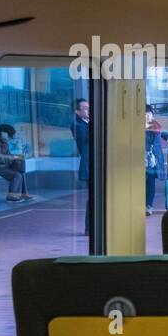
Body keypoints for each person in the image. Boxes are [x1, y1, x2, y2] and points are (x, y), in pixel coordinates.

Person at [0, 124, 32, 202]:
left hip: (3, 166)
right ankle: (11, 197)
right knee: (16, 176)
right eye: (9, 135)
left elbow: (8, 155)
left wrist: (16, 157)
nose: (9, 138)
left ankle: (23, 194)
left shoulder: (3, 142)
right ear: (4, 133)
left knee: (21, 171)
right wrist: (10, 159)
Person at [72, 98, 92, 236]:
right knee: (93, 198)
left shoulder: (89, 123)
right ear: (77, 112)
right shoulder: (76, 125)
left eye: (89, 107)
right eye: (85, 108)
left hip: (98, 165)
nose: (89, 110)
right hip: (89, 166)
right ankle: (89, 227)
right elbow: (87, 137)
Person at [144, 105, 164, 215]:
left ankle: (149, 206)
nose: (147, 116)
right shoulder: (136, 127)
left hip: (152, 161)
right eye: (145, 114)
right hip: (139, 160)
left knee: (150, 183)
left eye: (149, 114)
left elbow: (162, 134)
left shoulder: (156, 126)